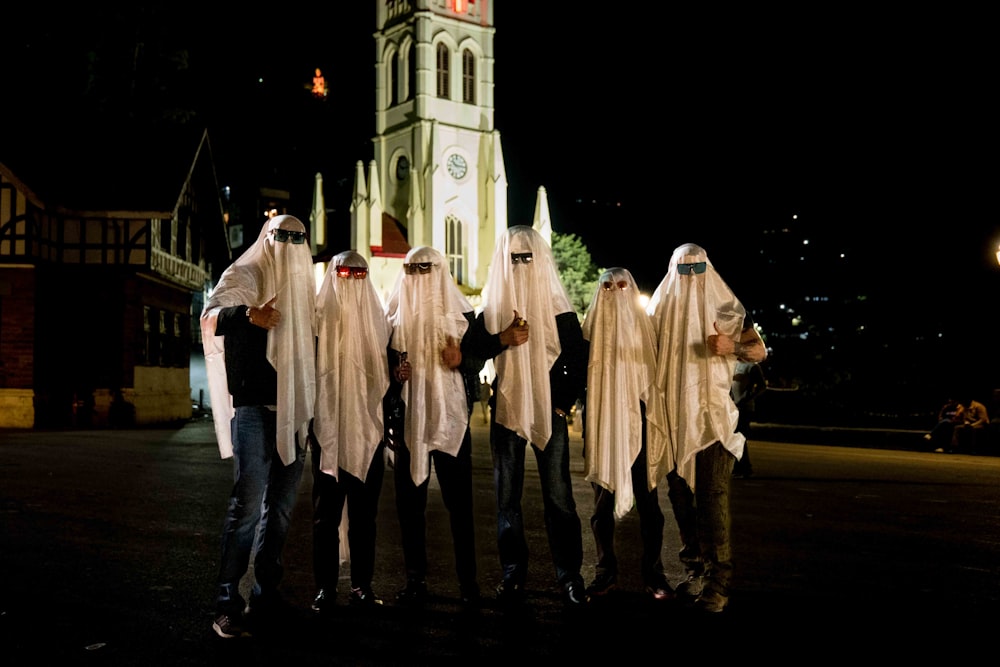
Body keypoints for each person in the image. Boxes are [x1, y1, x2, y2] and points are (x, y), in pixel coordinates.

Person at [200, 214, 317, 638]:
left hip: (294, 409)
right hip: (252, 409)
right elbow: (213, 314)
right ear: (266, 239)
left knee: (281, 512)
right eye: (282, 237)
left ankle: (267, 594)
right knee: (246, 509)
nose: (289, 244)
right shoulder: (246, 273)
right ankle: (226, 603)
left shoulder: (305, 284)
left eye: (297, 238)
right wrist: (249, 315)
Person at [647, 243, 766, 614]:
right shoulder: (658, 310)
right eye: (683, 271)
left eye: (697, 270)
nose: (690, 279)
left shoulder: (728, 309)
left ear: (709, 271)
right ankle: (695, 569)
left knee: (712, 502)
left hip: (713, 421)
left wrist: (731, 345)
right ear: (671, 272)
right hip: (673, 421)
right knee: (682, 501)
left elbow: (758, 350)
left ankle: (719, 581)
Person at [477, 225, 590, 606]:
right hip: (508, 408)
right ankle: (513, 573)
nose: (522, 265)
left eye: (528, 258)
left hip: (549, 409)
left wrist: (561, 402)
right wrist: (500, 340)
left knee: (558, 497)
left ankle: (569, 575)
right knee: (507, 498)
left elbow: (578, 356)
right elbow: (473, 347)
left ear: (540, 260)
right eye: (514, 259)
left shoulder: (558, 307)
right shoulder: (494, 306)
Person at [384, 246, 485, 606]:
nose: (418, 276)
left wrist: (462, 359)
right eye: (411, 269)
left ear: (439, 269)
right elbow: (384, 369)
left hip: (451, 416)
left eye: (425, 268)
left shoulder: (463, 314)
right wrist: (397, 376)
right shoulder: (392, 315)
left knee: (460, 505)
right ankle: (415, 579)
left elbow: (478, 355)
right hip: (410, 419)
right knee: (410, 505)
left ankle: (468, 583)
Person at [310, 250, 397, 612]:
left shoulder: (379, 320)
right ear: (333, 274)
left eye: (360, 274)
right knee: (326, 515)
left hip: (367, 431)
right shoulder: (316, 319)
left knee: (364, 515)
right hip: (329, 427)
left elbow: (389, 370)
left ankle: (362, 584)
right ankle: (325, 588)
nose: (352, 280)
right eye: (345, 274)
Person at [580, 267, 674, 601]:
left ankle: (654, 573)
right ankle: (605, 573)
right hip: (603, 426)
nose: (615, 292)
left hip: (642, 424)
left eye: (623, 286)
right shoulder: (588, 332)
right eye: (607, 286)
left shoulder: (647, 329)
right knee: (602, 504)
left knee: (649, 503)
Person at [731, 358, 767, 478]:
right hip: (733, 407)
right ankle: (741, 468)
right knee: (735, 437)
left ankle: (744, 468)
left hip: (744, 408)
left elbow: (762, 386)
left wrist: (748, 398)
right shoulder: (733, 364)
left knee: (740, 437)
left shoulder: (752, 366)